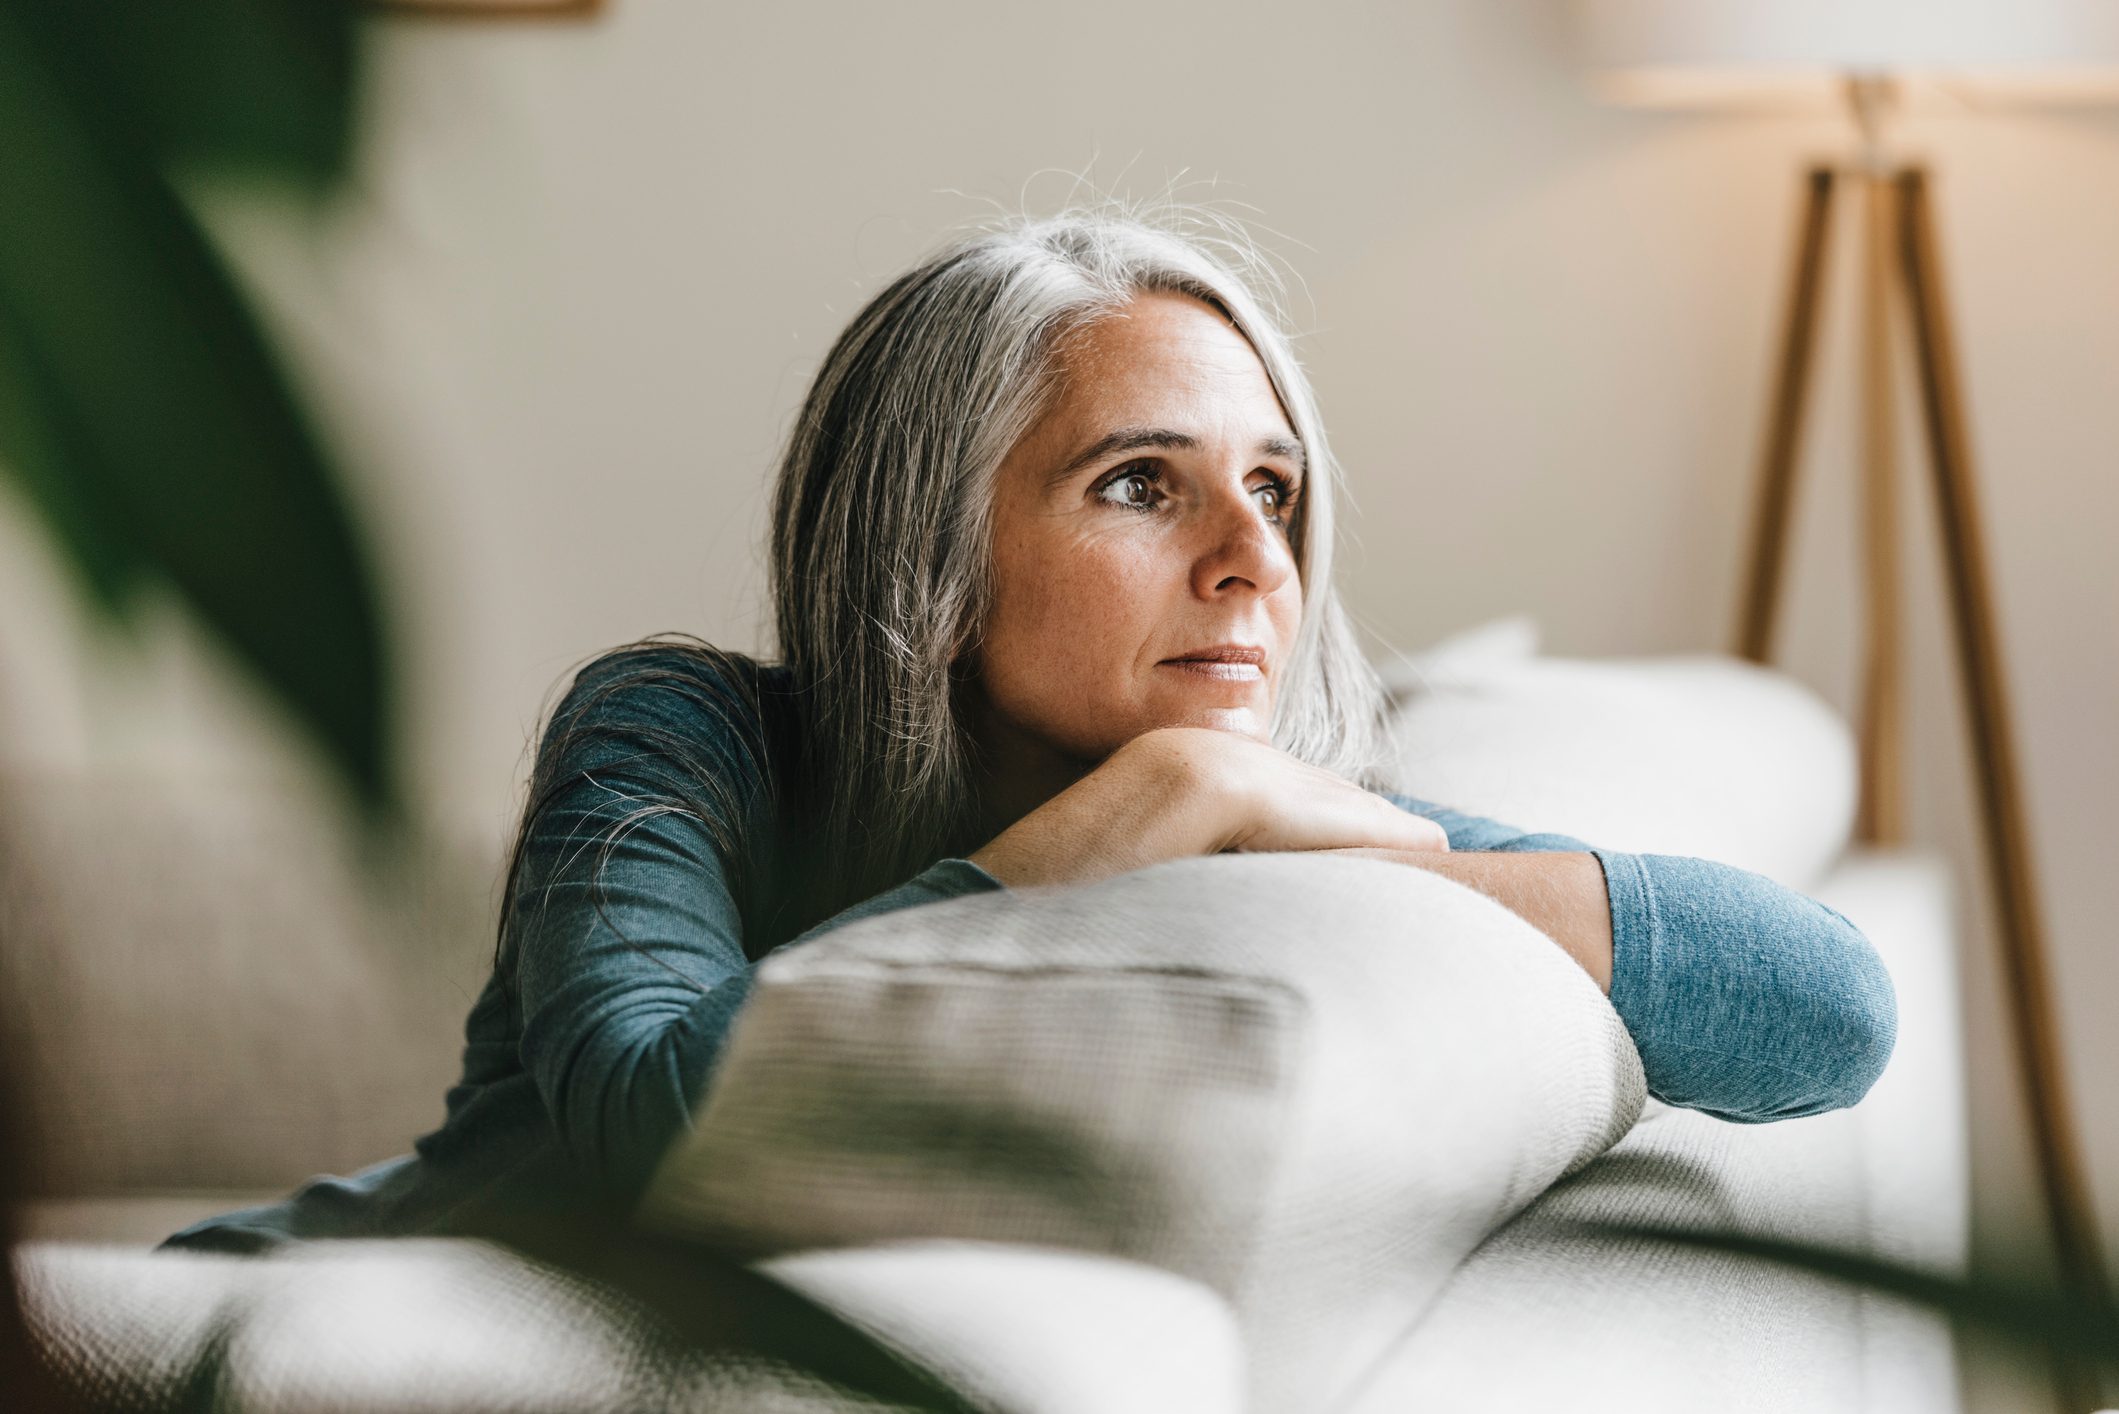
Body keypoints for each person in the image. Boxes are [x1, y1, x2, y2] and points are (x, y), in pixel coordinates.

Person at [164, 207, 1896, 1253]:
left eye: (1275, 493)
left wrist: (1407, 856)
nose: (1251, 562)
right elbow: (660, 1119)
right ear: (932, 545)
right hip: (251, 1314)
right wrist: (1137, 812)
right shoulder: (684, 732)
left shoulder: (1268, 812)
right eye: (1143, 483)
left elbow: (1826, 1008)